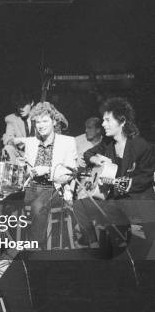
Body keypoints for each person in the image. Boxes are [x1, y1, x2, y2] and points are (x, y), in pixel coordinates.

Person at [74, 98, 155, 256]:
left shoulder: (141, 145)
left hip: (137, 202)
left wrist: (123, 183)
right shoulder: (108, 143)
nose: (103, 124)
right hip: (115, 201)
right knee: (80, 205)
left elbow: (146, 177)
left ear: (122, 121)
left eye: (107, 120)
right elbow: (88, 153)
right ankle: (94, 243)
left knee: (137, 251)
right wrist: (96, 159)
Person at [13, 101, 76, 248]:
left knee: (37, 207)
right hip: (32, 188)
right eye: (37, 122)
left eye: (45, 121)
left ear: (54, 121)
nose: (40, 125)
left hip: (55, 189)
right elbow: (29, 172)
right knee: (6, 203)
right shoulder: (30, 143)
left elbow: (71, 172)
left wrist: (47, 170)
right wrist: (24, 167)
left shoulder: (67, 142)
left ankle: (36, 247)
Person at [3, 92, 35, 164]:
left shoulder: (40, 117)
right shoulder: (11, 118)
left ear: (32, 103)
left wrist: (25, 140)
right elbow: (7, 139)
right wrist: (17, 141)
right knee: (8, 148)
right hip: (21, 154)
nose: (20, 108)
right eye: (18, 105)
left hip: (38, 153)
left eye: (23, 105)